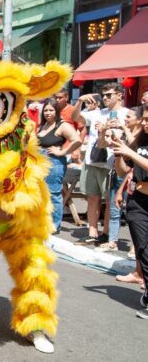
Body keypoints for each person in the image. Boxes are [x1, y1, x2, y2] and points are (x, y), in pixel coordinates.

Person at [70, 84, 127, 244]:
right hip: (91, 161)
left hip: (111, 162)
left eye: (109, 95)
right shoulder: (96, 113)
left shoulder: (126, 114)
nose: (105, 98)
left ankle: (107, 232)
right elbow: (76, 118)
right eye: (104, 95)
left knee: (110, 200)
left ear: (119, 95)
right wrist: (79, 102)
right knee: (92, 197)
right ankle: (92, 231)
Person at [111, 107, 148, 318]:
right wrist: (118, 154)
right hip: (138, 201)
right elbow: (125, 171)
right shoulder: (140, 141)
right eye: (143, 119)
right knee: (143, 250)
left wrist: (129, 152)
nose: (144, 123)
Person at [37, 101, 81, 232]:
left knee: (53, 194)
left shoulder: (62, 125)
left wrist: (62, 151)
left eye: (51, 110)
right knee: (40, 194)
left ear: (56, 111)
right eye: (46, 110)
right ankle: (43, 223)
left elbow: (77, 140)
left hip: (54, 162)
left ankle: (54, 225)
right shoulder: (43, 125)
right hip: (39, 162)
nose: (48, 113)